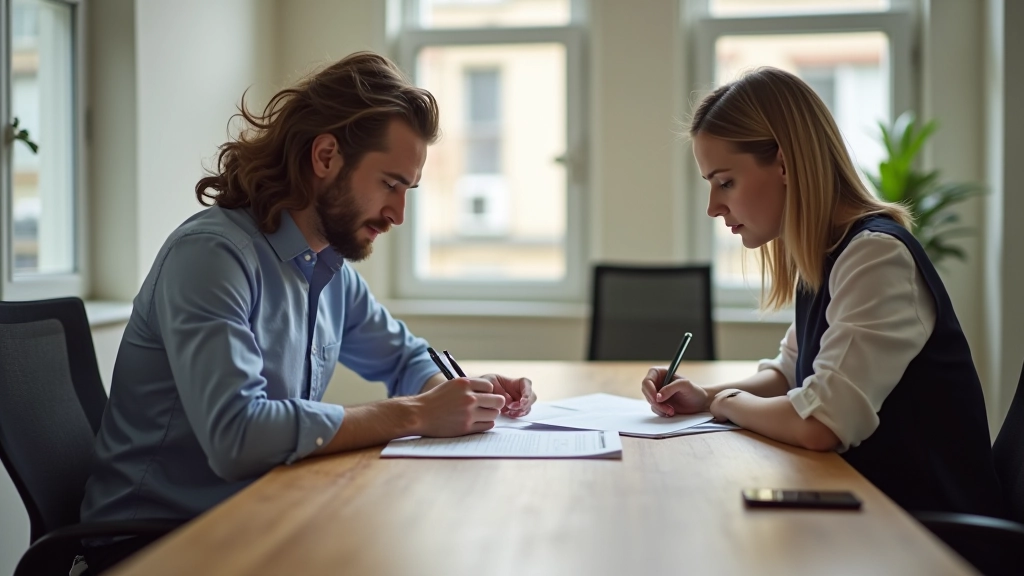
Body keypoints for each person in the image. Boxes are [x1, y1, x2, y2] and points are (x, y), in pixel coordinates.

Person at [79, 52, 536, 573]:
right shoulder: (211, 256)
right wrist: (416, 414)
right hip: (154, 547)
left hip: (257, 520)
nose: (398, 214)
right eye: (389, 184)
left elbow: (405, 358)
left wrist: (457, 393)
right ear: (325, 157)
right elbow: (238, 436)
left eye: (407, 191)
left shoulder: (329, 269)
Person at [641, 67, 1003, 517]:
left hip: (929, 532)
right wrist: (703, 394)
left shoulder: (875, 257)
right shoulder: (826, 254)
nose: (714, 207)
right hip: (875, 511)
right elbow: (790, 375)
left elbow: (819, 422)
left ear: (785, 164)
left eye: (725, 182)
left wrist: (725, 403)